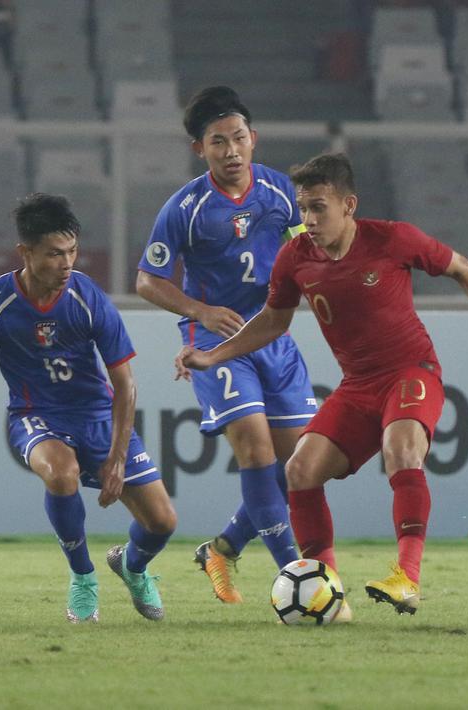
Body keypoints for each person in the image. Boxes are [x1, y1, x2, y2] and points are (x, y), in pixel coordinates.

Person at [175, 152, 468, 615]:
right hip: (358, 385)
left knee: (401, 450)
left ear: (348, 205)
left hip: (412, 371)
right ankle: (322, 585)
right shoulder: (296, 257)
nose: (308, 219)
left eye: (319, 207)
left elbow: (462, 267)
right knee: (299, 471)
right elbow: (272, 320)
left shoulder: (392, 239)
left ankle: (407, 578)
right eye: (303, 207)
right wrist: (214, 354)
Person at [0, 193, 176, 623]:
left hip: (97, 416)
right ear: (26, 252)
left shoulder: (86, 297)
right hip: (34, 417)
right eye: (55, 254)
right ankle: (83, 578)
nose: (67, 262)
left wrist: (116, 459)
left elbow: (125, 384)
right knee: (61, 473)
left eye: (72, 251)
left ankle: (131, 567)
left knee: (163, 523)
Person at [136, 86, 320, 608]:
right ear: (201, 149)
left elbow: (314, 246)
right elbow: (148, 280)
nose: (231, 151)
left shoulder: (283, 193)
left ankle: (223, 548)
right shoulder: (186, 207)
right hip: (215, 339)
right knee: (256, 452)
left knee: (298, 467)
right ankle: (299, 580)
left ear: (253, 139)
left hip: (272, 338)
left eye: (239, 138)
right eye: (218, 142)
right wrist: (200, 311)